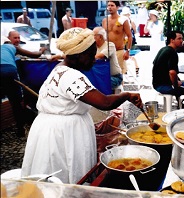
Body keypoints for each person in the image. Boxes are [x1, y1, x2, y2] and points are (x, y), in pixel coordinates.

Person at [21, 27, 143, 184]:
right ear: (79, 55)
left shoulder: (60, 69)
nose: (94, 59)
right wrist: (127, 95)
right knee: (64, 175)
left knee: (55, 173)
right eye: (91, 55)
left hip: (51, 129)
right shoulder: (71, 75)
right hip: (63, 134)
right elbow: (104, 103)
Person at [1, 33, 46, 137]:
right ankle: (20, 130)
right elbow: (36, 55)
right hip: (9, 70)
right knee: (15, 102)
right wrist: (42, 50)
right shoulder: (12, 47)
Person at [153, 31, 184, 108]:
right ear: (172, 40)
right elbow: (172, 73)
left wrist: (178, 82)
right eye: (179, 38)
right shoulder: (172, 52)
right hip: (164, 86)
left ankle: (182, 105)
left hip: (157, 83)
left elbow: (160, 67)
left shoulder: (163, 49)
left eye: (182, 38)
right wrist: (175, 85)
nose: (182, 40)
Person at [102, 1, 132, 74]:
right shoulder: (105, 20)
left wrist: (128, 51)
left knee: (119, 75)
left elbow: (129, 36)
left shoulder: (123, 20)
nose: (110, 7)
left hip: (118, 51)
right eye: (108, 5)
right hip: (107, 51)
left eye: (112, 5)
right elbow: (103, 36)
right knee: (106, 74)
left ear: (117, 7)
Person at [120, 6, 140, 75]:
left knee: (132, 55)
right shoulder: (123, 21)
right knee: (124, 55)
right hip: (124, 40)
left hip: (130, 40)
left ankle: (136, 67)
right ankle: (127, 69)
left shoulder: (131, 21)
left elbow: (135, 31)